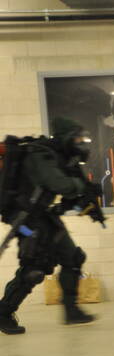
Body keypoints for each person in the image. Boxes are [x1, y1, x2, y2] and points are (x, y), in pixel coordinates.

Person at [0, 118, 103, 335]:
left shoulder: (61, 157)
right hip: (26, 220)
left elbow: (68, 190)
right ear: (66, 137)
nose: (80, 142)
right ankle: (3, 312)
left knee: (73, 258)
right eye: (77, 138)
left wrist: (85, 198)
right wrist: (80, 186)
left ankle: (71, 310)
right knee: (34, 269)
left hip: (43, 215)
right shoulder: (41, 155)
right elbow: (59, 184)